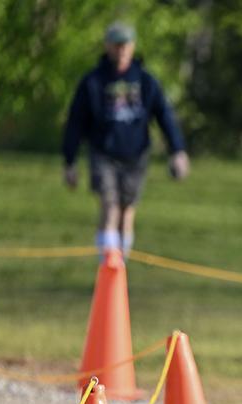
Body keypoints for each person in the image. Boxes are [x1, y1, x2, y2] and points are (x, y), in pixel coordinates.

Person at [61, 21, 189, 258]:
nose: (121, 50)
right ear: (107, 46)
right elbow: (76, 122)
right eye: (116, 44)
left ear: (133, 46)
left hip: (136, 154)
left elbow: (165, 116)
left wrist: (178, 150)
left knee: (127, 211)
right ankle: (108, 267)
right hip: (103, 153)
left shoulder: (146, 81)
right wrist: (70, 161)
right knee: (109, 207)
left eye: (125, 44)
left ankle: (120, 269)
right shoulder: (93, 82)